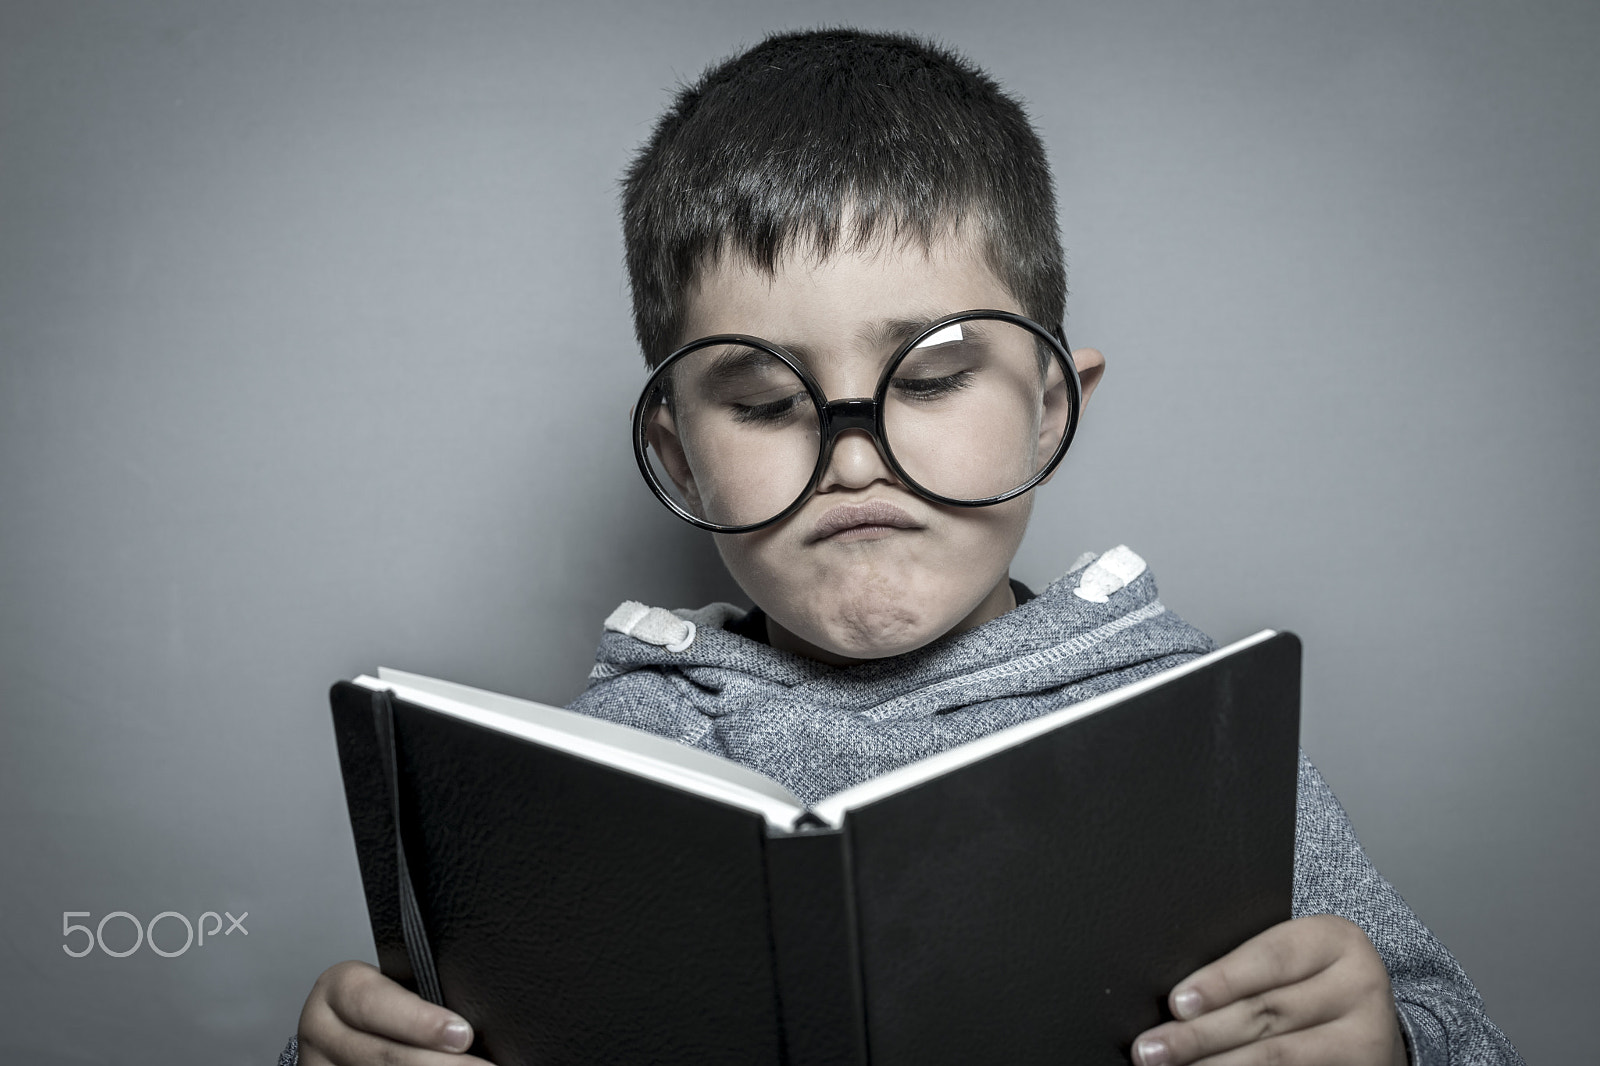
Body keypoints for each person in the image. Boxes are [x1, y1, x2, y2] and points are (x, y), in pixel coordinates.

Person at [286, 28, 1523, 1066]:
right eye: (766, 402)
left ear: (1051, 405)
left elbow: (1454, 1029)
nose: (853, 450)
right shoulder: (592, 763)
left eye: (929, 378)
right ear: (674, 452)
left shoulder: (1199, 733)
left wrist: (1387, 1045)